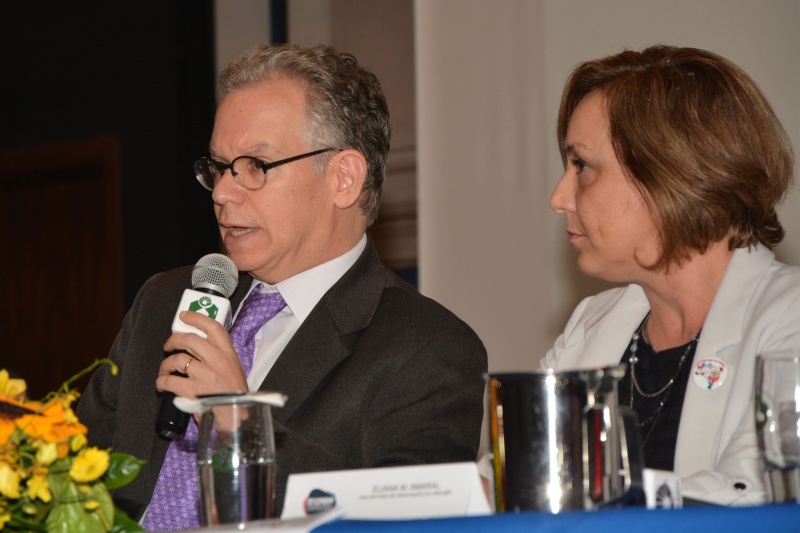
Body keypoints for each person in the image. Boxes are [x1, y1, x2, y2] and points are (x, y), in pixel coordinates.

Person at [77, 44, 487, 529]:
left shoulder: (429, 349)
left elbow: (406, 522)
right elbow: (73, 471)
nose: (224, 193)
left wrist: (239, 424)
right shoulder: (164, 301)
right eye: (218, 167)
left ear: (343, 178)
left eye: (255, 166)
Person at [546, 45, 799, 506]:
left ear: (674, 175)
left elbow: (757, 493)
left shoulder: (790, 319)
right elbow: (523, 479)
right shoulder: (589, 324)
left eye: (581, 166)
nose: (559, 197)